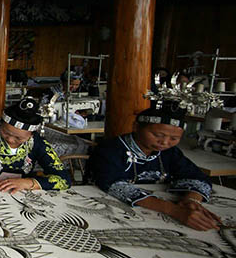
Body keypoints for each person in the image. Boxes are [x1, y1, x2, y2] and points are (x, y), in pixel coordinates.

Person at [89, 99, 220, 231]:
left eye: (173, 139)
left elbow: (195, 176)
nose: (164, 142)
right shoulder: (111, 149)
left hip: (152, 212)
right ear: (136, 127)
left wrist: (192, 200)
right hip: (114, 213)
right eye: (157, 135)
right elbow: (114, 185)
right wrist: (175, 211)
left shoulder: (170, 153)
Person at [0, 97, 72, 196]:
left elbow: (63, 179)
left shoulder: (37, 143)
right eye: (5, 132)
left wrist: (29, 183)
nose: (10, 139)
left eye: (18, 138)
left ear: (31, 134)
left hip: (22, 193)